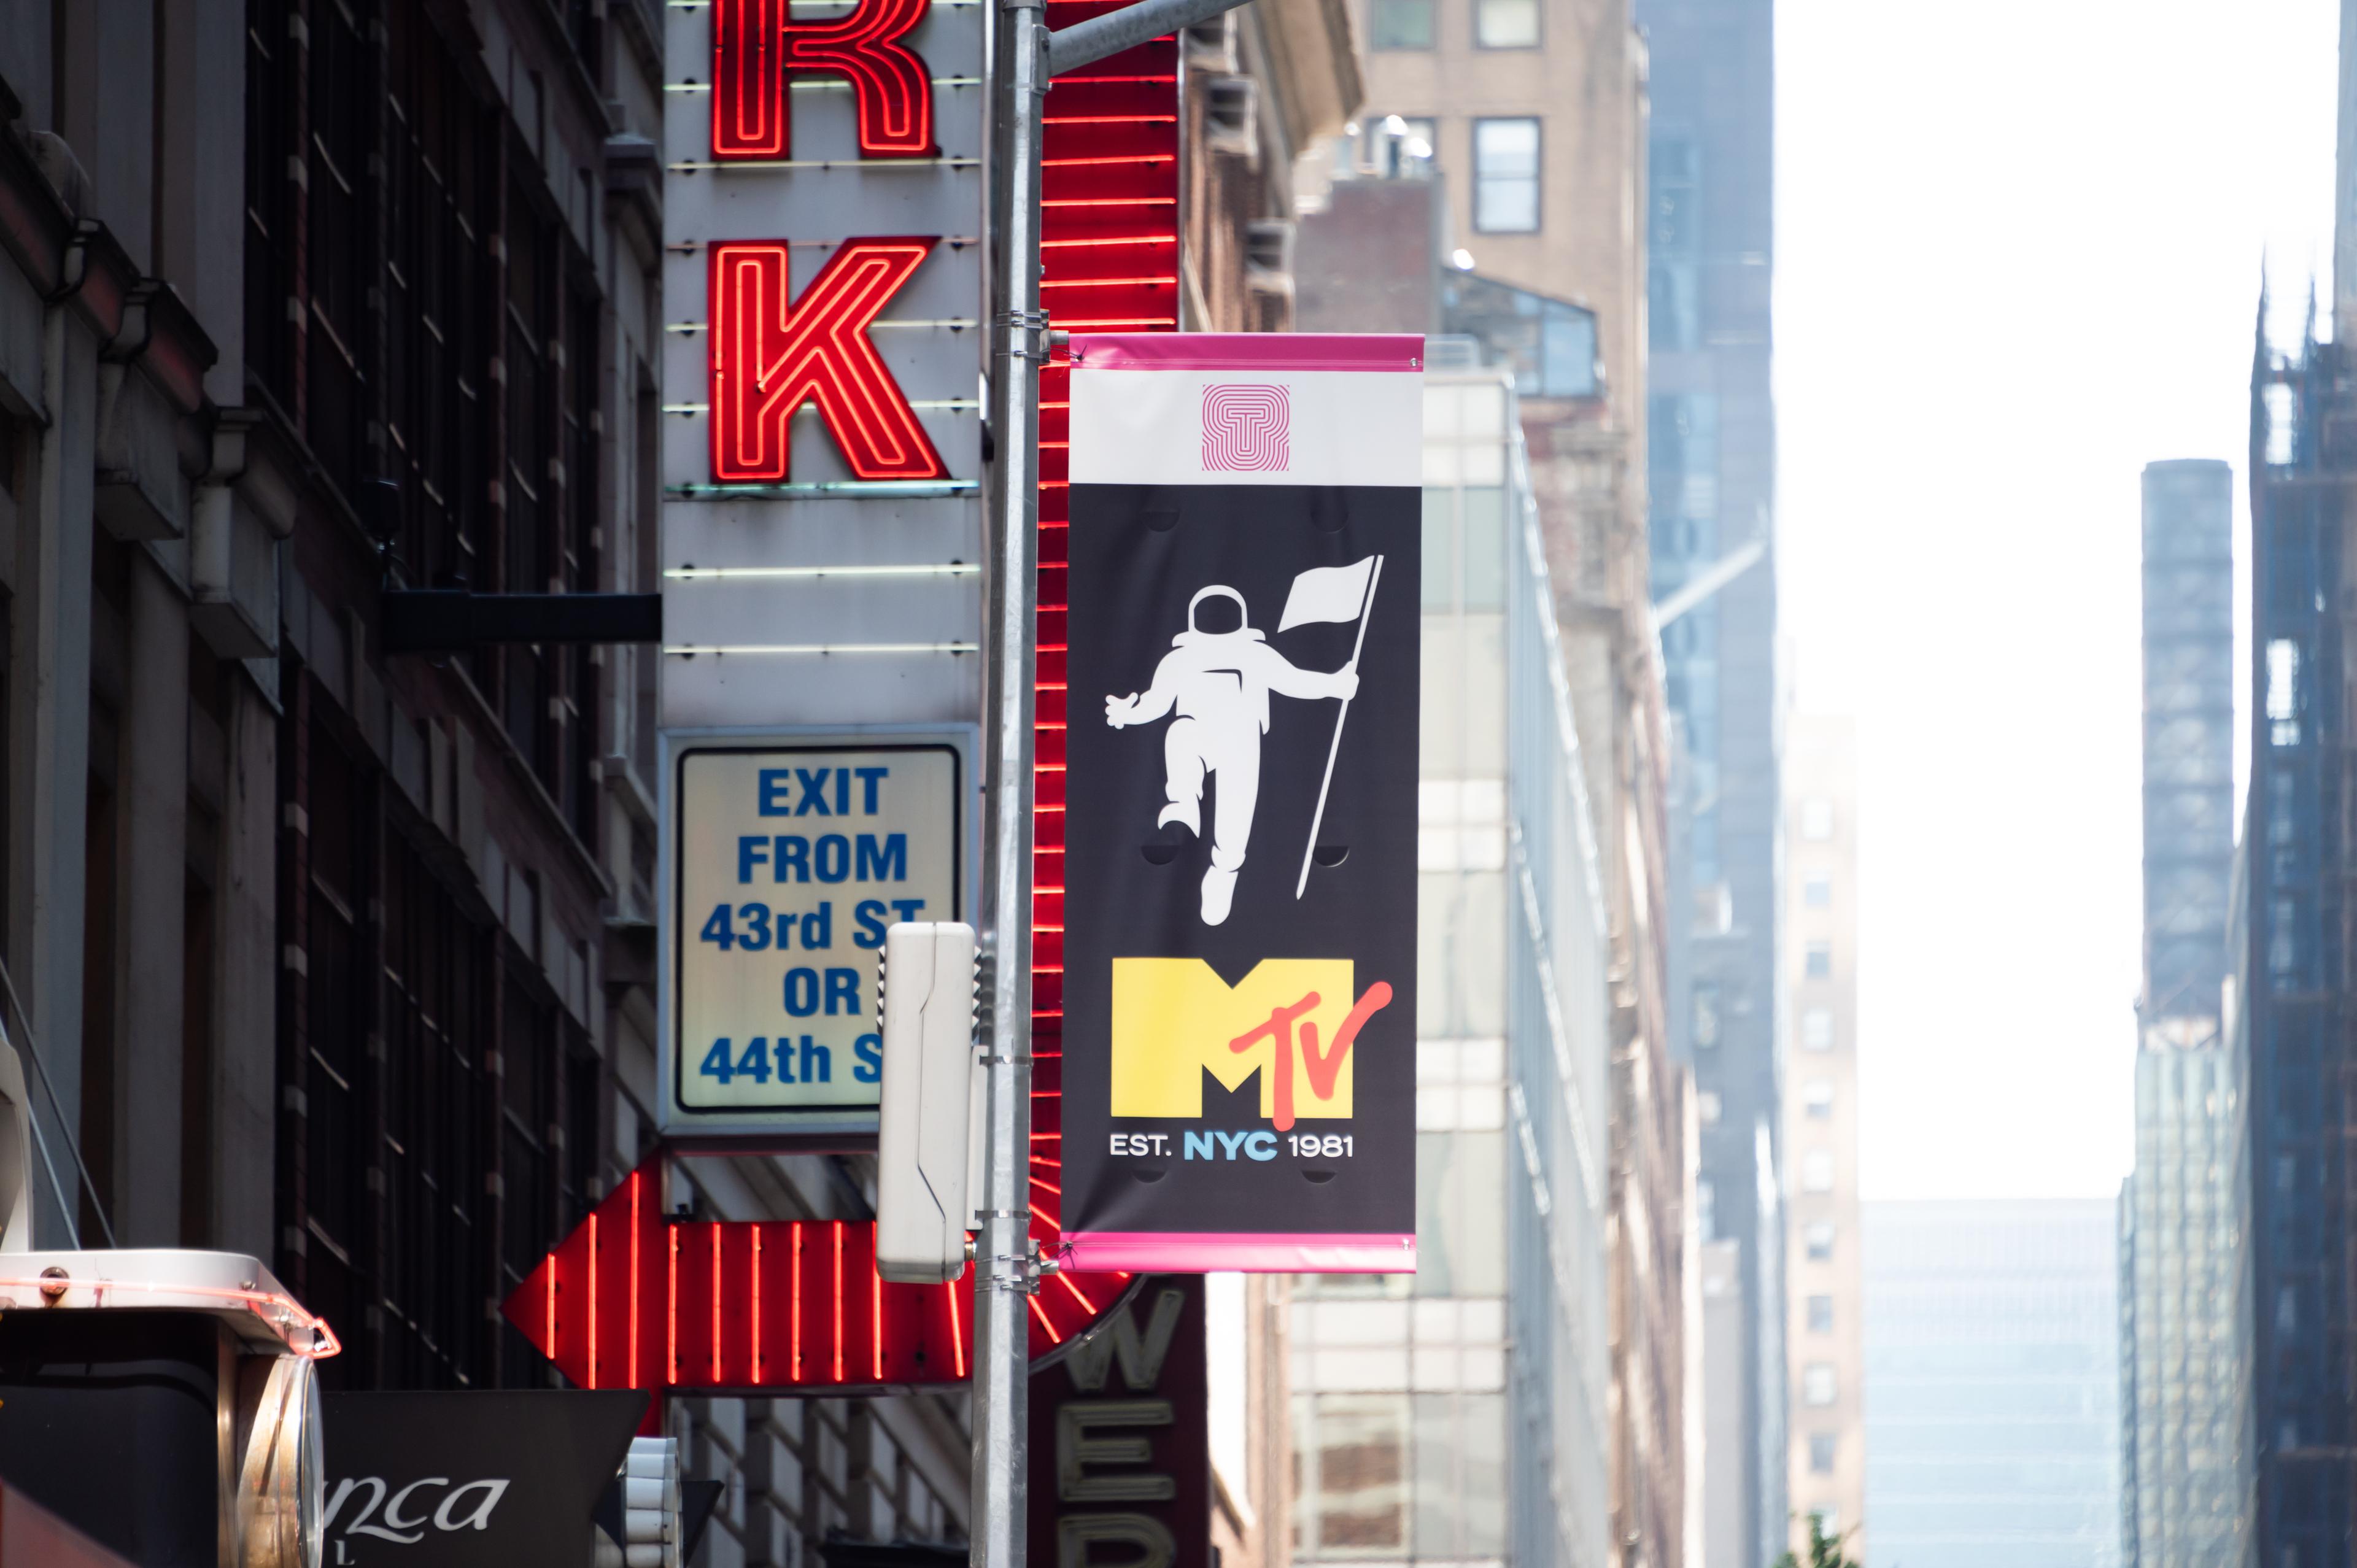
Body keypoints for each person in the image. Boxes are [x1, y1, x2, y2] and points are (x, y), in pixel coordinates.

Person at [1105, 585, 1358, 924]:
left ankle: (1224, 872)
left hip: (1241, 739)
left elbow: (1294, 682)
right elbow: (1156, 702)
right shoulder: (1180, 659)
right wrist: (1128, 713)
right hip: (1196, 729)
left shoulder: (1254, 655)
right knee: (1180, 736)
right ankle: (1183, 802)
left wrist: (1335, 685)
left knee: (1234, 822)